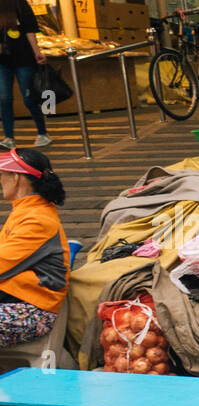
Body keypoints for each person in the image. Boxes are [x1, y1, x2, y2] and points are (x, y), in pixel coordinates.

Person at [0, 148, 67, 347]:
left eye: (2, 175)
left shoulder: (37, 219)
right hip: (17, 301)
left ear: (17, 178)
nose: (0, 180)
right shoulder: (27, 210)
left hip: (32, 311)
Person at [0, 0, 50, 149]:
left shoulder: (20, 4)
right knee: (5, 99)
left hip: (24, 59)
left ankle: (43, 133)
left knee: (28, 99)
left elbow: (30, 31)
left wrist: (37, 53)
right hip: (3, 61)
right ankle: (9, 137)